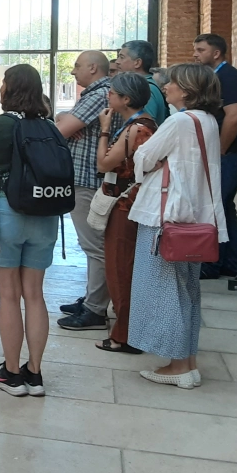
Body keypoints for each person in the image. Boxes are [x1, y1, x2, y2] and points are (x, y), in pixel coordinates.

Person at [128, 63, 227, 388]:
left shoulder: (181, 121)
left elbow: (143, 156)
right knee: (186, 288)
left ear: (187, 90)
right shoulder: (208, 120)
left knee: (162, 289)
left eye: (173, 83)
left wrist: (153, 159)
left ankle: (177, 366)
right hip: (195, 217)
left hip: (166, 216)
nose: (167, 87)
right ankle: (188, 361)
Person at [0, 64, 57, 397]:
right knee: (34, 294)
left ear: (9, 89)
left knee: (9, 296)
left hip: (4, 211)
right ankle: (34, 374)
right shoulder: (50, 126)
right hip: (45, 213)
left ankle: (10, 373)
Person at [94, 72, 158, 355]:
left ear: (126, 99)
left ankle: (125, 335)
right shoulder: (143, 125)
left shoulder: (136, 129)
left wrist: (104, 129)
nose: (108, 96)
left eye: (113, 92)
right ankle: (128, 328)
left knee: (120, 270)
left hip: (125, 205)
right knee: (123, 268)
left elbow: (104, 162)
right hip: (130, 204)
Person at [54, 50, 111, 330]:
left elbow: (61, 131)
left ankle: (96, 310)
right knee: (93, 245)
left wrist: (64, 121)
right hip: (86, 178)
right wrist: (64, 116)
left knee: (94, 246)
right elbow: (65, 122)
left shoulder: (99, 94)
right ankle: (92, 299)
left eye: (77, 66)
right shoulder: (95, 95)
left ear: (92, 67)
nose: (73, 71)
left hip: (88, 180)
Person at [193, 33, 237, 279]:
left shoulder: (227, 77)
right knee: (224, 206)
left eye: (200, 50)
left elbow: (234, 116)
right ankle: (231, 263)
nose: (195, 54)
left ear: (216, 53)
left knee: (213, 205)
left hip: (233, 152)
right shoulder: (216, 76)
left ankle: (211, 264)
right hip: (230, 152)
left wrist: (220, 149)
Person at [116, 39, 168, 125]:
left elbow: (145, 128)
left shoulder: (146, 89)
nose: (117, 62)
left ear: (137, 63)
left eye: (122, 57)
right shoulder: (140, 86)